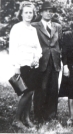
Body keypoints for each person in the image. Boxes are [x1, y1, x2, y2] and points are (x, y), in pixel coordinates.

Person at [9, 1, 42, 129]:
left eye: (31, 13)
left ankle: (26, 119)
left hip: (33, 65)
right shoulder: (17, 27)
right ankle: (16, 120)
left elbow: (38, 49)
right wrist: (16, 65)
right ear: (21, 14)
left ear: (33, 14)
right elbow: (13, 48)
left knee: (31, 91)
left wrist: (36, 58)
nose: (29, 15)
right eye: (26, 12)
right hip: (22, 64)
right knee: (27, 92)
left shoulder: (33, 29)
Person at [32, 1, 62, 122]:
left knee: (53, 89)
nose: (49, 13)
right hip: (40, 61)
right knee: (40, 88)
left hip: (55, 61)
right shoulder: (34, 26)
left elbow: (60, 43)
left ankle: (51, 115)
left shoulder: (58, 26)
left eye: (51, 11)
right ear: (41, 12)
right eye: (46, 11)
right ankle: (38, 115)